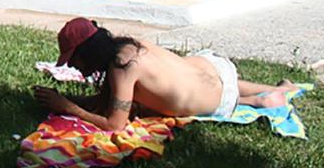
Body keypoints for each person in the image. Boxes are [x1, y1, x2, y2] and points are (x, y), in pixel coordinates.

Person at [32, 18, 295, 131]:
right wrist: (64, 99)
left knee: (233, 95)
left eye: (74, 60)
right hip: (214, 67)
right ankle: (280, 87)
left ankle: (263, 100)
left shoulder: (122, 68)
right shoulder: (127, 45)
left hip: (219, 103)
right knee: (225, 84)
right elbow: (109, 103)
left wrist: (68, 107)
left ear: (87, 52)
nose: (74, 67)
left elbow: (115, 124)